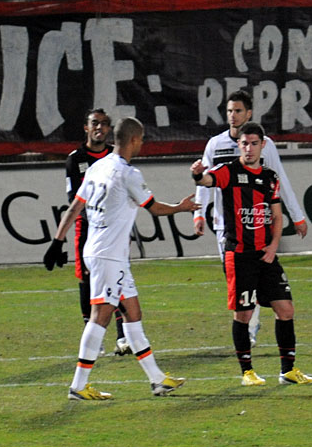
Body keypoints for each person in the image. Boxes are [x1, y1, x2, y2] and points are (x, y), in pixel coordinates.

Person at [44, 116, 200, 400]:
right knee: (100, 317)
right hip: (109, 256)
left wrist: (57, 241)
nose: (142, 144)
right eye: (141, 140)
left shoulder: (97, 167)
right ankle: (78, 386)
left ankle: (157, 379)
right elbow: (153, 208)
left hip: (100, 251)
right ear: (134, 140)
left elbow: (75, 207)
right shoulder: (129, 173)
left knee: (133, 312)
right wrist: (181, 207)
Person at [191, 121, 312, 387]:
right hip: (239, 255)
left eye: (254, 143)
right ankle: (247, 372)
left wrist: (273, 247)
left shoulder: (270, 178)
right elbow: (207, 180)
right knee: (243, 315)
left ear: (263, 145)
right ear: (239, 145)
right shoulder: (228, 172)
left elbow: (277, 216)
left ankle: (288, 370)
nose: (248, 148)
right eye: (244, 143)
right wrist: (198, 175)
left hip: (265, 255)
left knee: (286, 309)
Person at [65, 108, 130, 356]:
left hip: (114, 230)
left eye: (104, 124)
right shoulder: (75, 159)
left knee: (119, 276)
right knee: (86, 280)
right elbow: (74, 200)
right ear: (86, 127)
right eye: (95, 123)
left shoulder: (117, 157)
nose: (99, 128)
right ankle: (93, 335)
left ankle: (123, 335)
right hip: (87, 228)